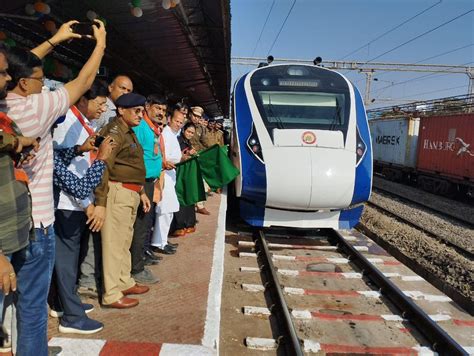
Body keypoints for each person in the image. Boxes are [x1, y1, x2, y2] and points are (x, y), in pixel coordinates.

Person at [0, 19, 106, 355]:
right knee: (31, 307)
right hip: (37, 223)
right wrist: (100, 45)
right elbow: (83, 81)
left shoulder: (6, 105)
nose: (44, 84)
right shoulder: (35, 108)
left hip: (7, 225)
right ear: (23, 84)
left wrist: (54, 40)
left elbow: (16, 67)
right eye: (39, 79)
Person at [51, 80, 112, 334]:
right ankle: (71, 316)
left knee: (69, 259)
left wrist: (81, 150)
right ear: (83, 99)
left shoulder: (84, 125)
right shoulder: (65, 124)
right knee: (66, 260)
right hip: (67, 203)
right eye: (100, 104)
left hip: (77, 201)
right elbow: (69, 178)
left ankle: (63, 303)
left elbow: (71, 158)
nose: (103, 109)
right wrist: (87, 202)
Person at [92, 93, 151, 308]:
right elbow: (104, 166)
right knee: (114, 245)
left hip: (131, 192)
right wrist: (101, 202)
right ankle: (111, 294)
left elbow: (131, 166)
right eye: (136, 111)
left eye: (142, 111)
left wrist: (142, 192)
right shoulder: (115, 132)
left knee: (124, 241)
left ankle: (124, 281)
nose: (140, 115)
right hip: (117, 193)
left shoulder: (128, 132)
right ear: (121, 110)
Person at [129, 94, 167, 284]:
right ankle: (136, 268)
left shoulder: (153, 129)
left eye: (163, 110)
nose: (161, 113)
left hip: (149, 181)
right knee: (141, 226)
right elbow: (135, 157)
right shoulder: (141, 128)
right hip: (141, 182)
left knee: (144, 225)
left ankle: (139, 260)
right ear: (147, 107)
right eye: (158, 108)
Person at [151, 111, 185, 255]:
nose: (179, 124)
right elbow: (164, 156)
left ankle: (163, 240)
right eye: (177, 121)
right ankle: (158, 242)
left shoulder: (173, 135)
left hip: (171, 175)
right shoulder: (165, 134)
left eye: (181, 122)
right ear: (169, 119)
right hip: (164, 174)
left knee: (169, 210)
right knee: (164, 210)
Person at [170, 122, 198, 237]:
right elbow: (177, 156)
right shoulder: (177, 140)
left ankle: (189, 223)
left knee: (188, 198)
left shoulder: (188, 142)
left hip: (186, 173)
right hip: (178, 173)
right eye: (188, 131)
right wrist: (186, 154)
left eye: (192, 133)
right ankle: (179, 226)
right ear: (183, 130)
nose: (190, 134)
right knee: (180, 198)